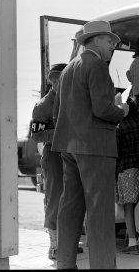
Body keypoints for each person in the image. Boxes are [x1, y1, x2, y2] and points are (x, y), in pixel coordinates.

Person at [51, 20, 129, 269]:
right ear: (94, 40)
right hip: (96, 146)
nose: (113, 46)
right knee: (100, 212)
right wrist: (122, 109)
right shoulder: (96, 64)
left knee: (70, 207)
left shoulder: (68, 69)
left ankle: (65, 263)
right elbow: (103, 109)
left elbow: (59, 110)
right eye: (110, 41)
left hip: (69, 145)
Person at [31, 63, 83, 260]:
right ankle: (54, 245)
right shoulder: (43, 105)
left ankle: (67, 241)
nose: (57, 82)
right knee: (54, 198)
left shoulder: (74, 99)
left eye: (60, 78)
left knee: (72, 197)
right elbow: (36, 136)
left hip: (73, 153)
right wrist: (63, 132)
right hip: (54, 155)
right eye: (54, 79)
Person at [115, 97, 139, 254]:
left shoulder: (120, 127)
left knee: (129, 207)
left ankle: (132, 241)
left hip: (126, 170)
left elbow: (117, 151)